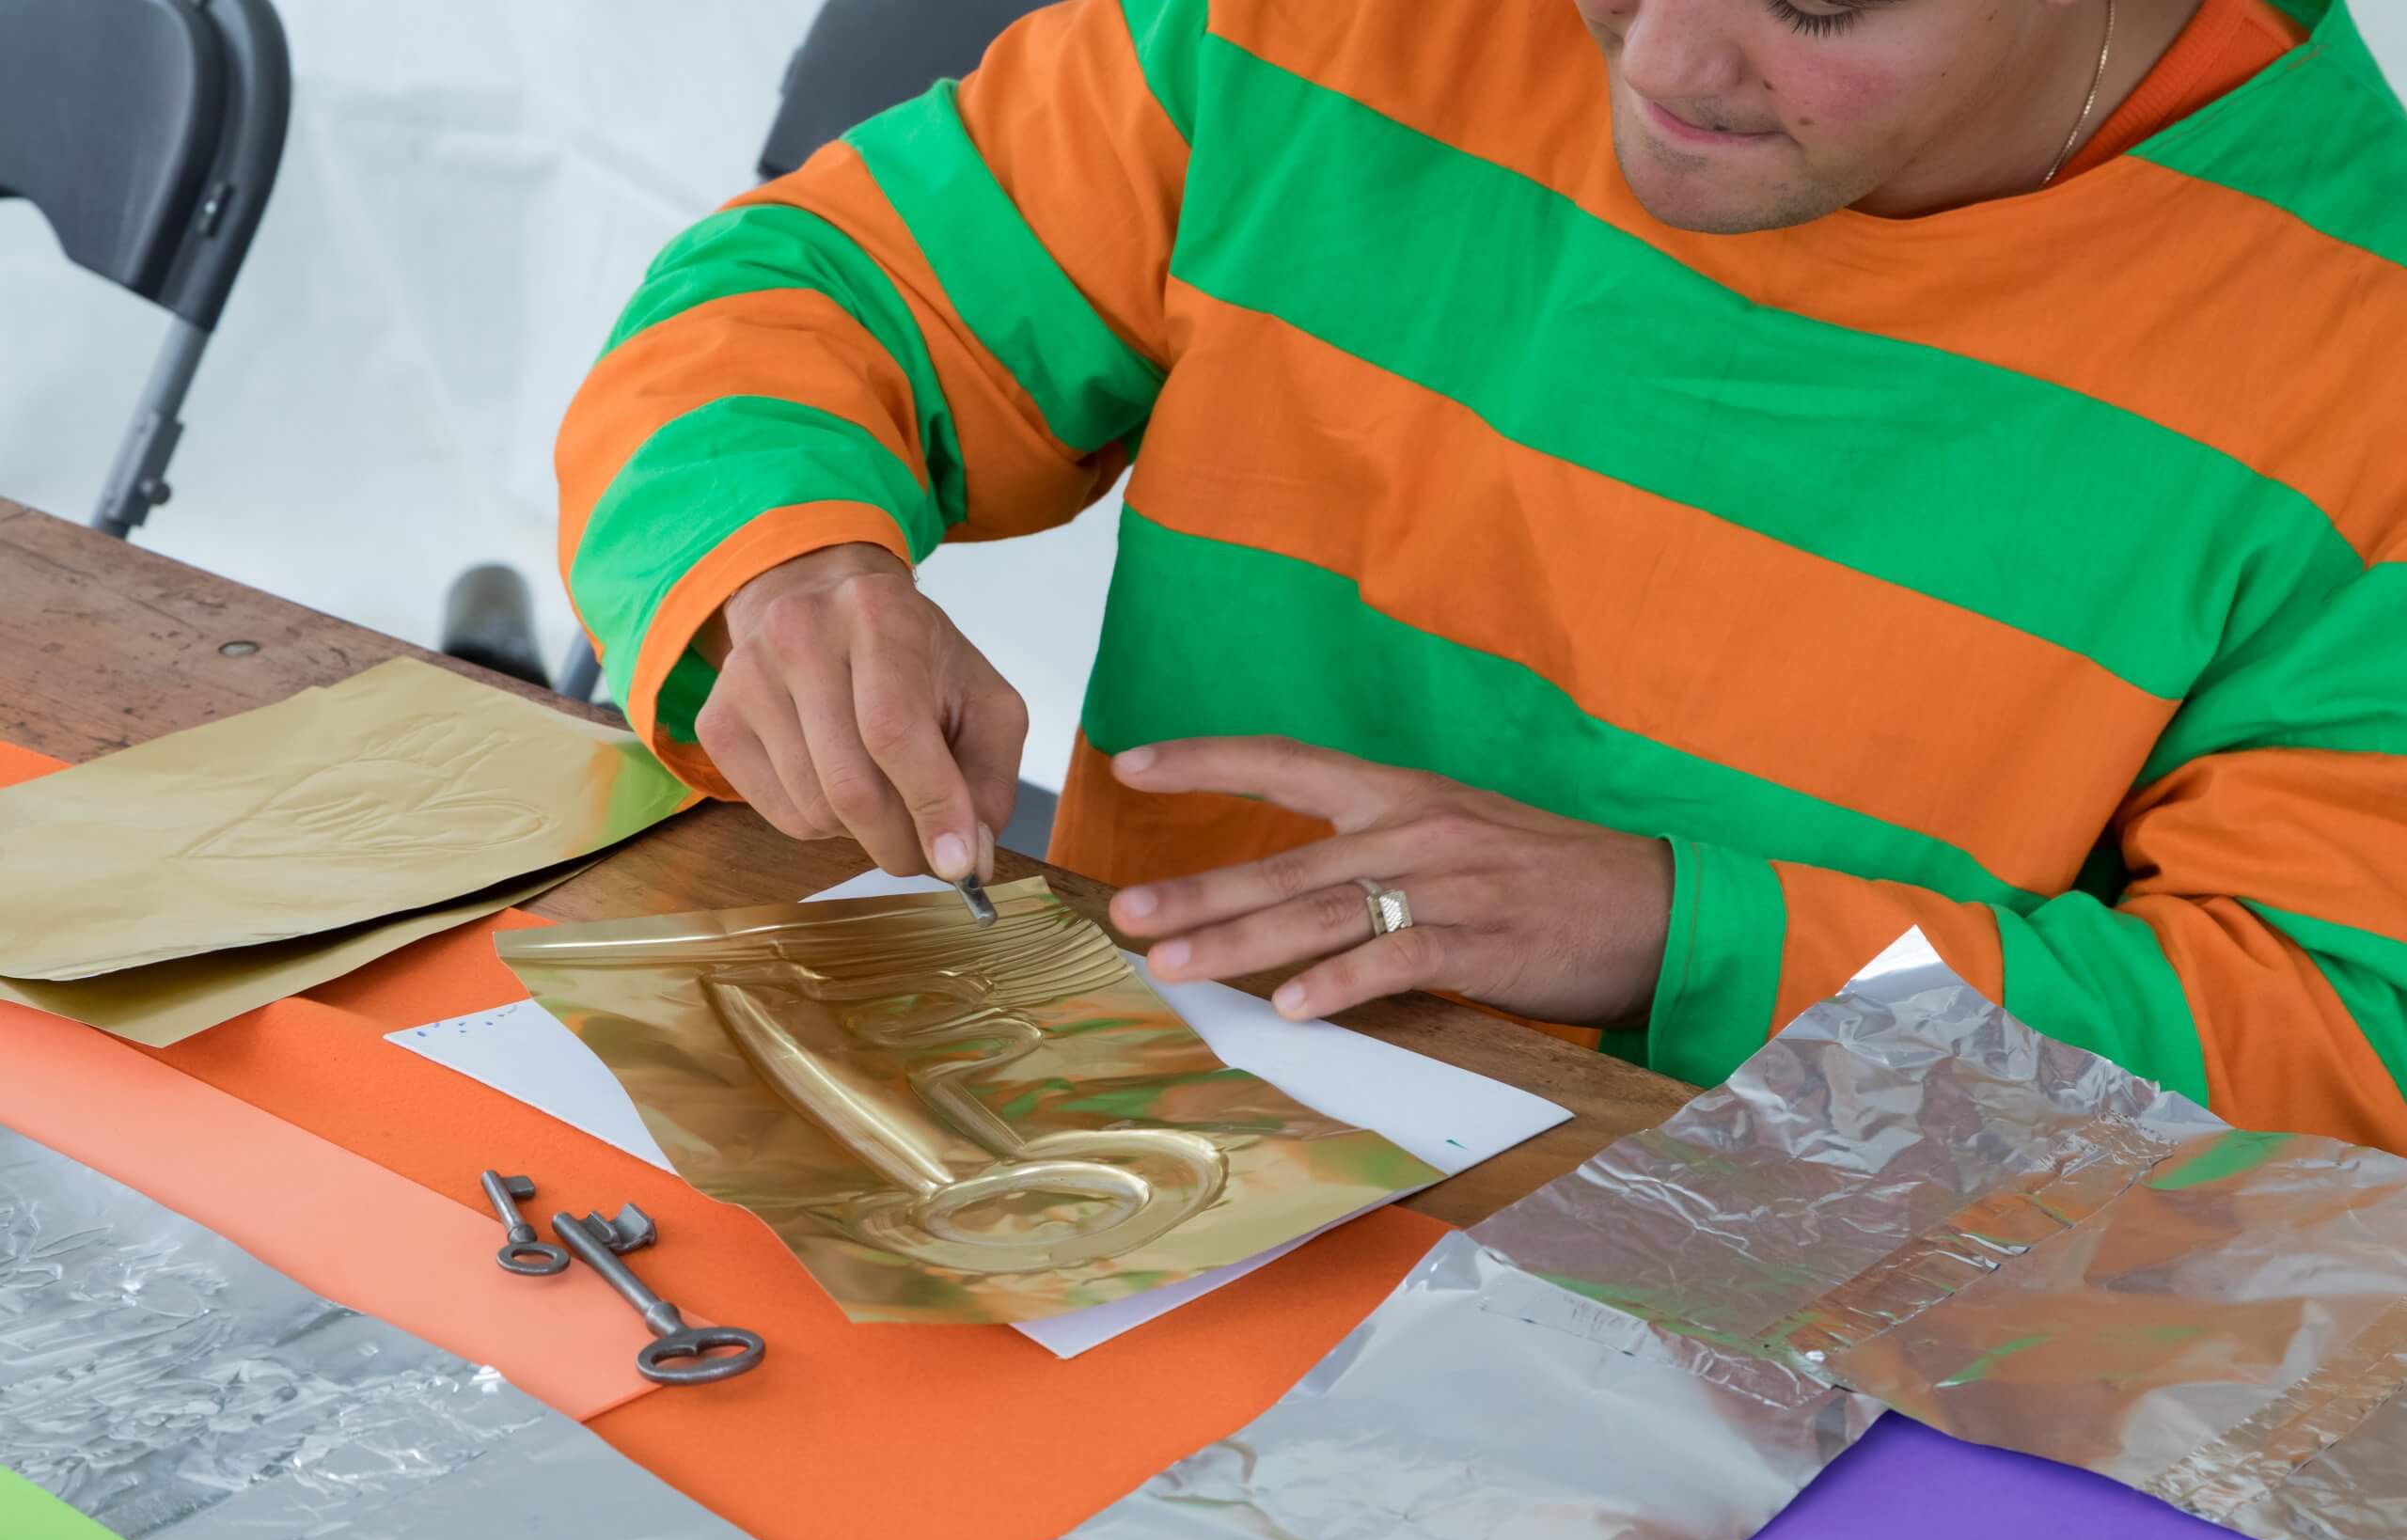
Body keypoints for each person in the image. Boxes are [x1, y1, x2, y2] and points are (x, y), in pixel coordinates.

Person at [557, 0, 2407, 1151]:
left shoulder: (2363, 359)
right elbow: (805, 300)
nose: (1667, 63)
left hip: (1805, 1382)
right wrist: (783, 574)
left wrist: (1687, 931)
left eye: (1819, 3)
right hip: (1133, 1185)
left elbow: (2340, 1049)